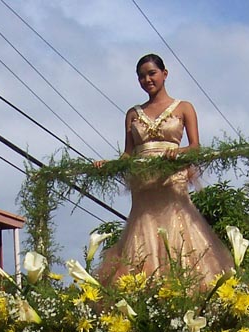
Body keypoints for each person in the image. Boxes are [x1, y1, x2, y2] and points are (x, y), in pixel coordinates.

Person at [96, 54, 234, 287]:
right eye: (141, 76)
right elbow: (128, 154)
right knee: (143, 231)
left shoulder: (184, 107)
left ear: (164, 74)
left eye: (152, 73)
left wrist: (178, 153)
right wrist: (108, 164)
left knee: (178, 232)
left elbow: (195, 146)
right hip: (144, 186)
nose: (147, 79)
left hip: (172, 180)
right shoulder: (132, 113)